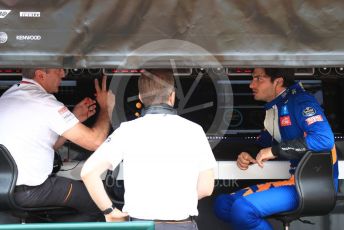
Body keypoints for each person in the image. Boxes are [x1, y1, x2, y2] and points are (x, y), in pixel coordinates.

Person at [81, 69, 216, 229]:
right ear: (172, 96)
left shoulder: (127, 130)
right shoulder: (194, 130)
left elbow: (88, 172)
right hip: (181, 225)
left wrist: (110, 211)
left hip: (139, 225)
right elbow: (206, 188)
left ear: (140, 97)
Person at [214, 68, 338, 230]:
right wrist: (249, 154)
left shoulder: (300, 100)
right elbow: (265, 143)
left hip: (313, 185)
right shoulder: (276, 107)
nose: (251, 84)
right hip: (293, 182)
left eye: (258, 78)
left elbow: (324, 139)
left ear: (278, 82)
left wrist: (273, 151)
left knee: (243, 209)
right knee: (223, 205)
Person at [0, 68, 112, 221]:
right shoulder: (45, 103)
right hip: (32, 191)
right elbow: (95, 141)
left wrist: (74, 118)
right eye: (58, 70)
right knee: (98, 202)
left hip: (5, 189)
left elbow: (47, 145)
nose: (63, 74)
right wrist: (106, 107)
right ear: (40, 74)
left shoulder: (7, 97)